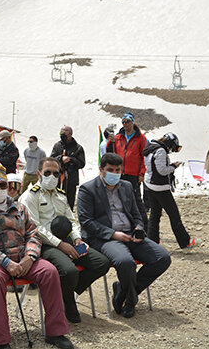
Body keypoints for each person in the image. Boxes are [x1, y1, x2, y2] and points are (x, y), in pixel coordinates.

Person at [0, 161, 73, 349]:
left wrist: (29, 258)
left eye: (2, 185)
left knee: (49, 271)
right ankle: (0, 339)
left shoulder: (20, 208)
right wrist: (5, 262)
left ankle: (55, 332)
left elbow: (33, 234)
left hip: (23, 259)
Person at [77, 153, 171, 318]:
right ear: (101, 170)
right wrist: (113, 234)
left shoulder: (126, 186)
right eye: (110, 170)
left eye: (117, 170)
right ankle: (130, 300)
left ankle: (123, 290)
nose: (114, 173)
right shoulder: (88, 189)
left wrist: (139, 227)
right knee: (125, 262)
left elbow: (136, 213)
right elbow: (87, 222)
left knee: (162, 258)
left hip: (130, 234)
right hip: (105, 237)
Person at [19, 157, 110, 323]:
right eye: (47, 172)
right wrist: (61, 245)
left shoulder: (61, 196)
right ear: (39, 173)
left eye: (56, 173)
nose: (52, 176)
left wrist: (77, 239)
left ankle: (66, 295)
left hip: (67, 240)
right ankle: (68, 303)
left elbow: (72, 220)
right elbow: (36, 229)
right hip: (45, 244)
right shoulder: (30, 196)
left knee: (102, 262)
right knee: (70, 271)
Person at [142, 133, 194, 249]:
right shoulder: (161, 151)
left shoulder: (151, 147)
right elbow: (162, 170)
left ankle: (152, 242)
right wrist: (173, 167)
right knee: (174, 215)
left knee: (154, 215)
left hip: (150, 185)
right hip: (160, 187)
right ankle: (185, 242)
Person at [108, 113, 148, 228]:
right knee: (118, 199)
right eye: (123, 122)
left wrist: (142, 173)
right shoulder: (117, 137)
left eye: (127, 122)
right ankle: (126, 224)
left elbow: (144, 157)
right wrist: (110, 142)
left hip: (133, 174)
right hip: (119, 173)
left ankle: (145, 225)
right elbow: (110, 153)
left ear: (132, 122)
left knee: (136, 200)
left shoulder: (140, 138)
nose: (125, 124)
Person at [50, 126, 85, 209]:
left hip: (71, 180)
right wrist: (61, 159)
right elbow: (51, 160)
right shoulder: (57, 145)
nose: (62, 136)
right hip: (57, 180)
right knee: (56, 202)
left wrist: (71, 160)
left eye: (64, 134)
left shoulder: (78, 148)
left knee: (69, 203)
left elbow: (82, 163)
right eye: (60, 133)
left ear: (70, 134)